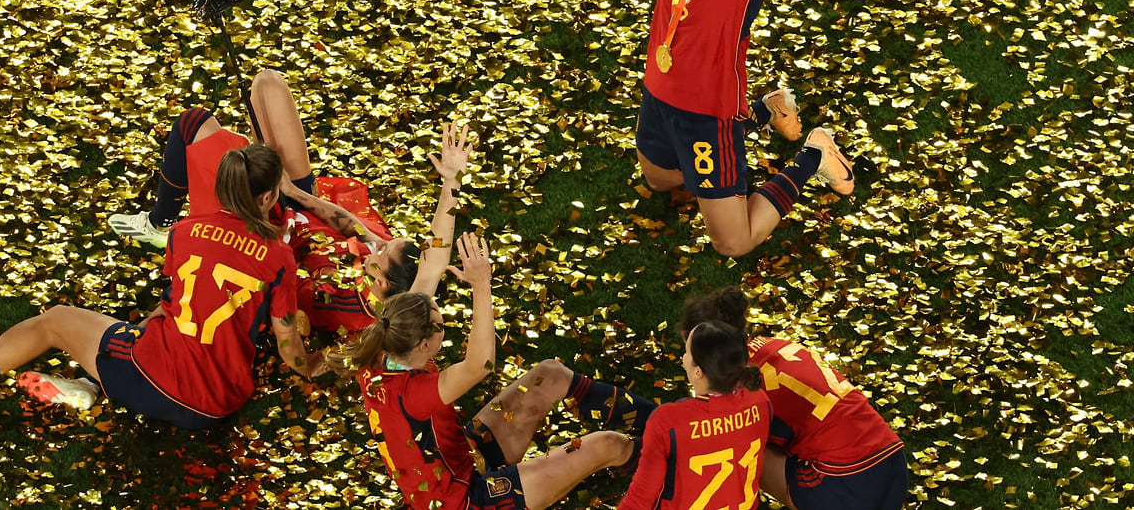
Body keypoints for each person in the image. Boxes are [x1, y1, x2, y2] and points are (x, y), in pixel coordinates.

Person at [632, 0, 896, 257]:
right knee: (662, 180)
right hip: (658, 95)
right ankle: (767, 110)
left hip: (707, 116)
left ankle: (814, 154)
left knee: (733, 243)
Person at [0, 144, 326, 429]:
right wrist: (312, 365)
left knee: (55, 320)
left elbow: (180, 295)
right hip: (218, 404)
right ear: (268, 196)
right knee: (151, 324)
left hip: (156, 382)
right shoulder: (278, 256)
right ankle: (90, 385)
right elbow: (287, 342)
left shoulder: (185, 231)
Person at [108, 69, 472, 336]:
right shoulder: (382, 262)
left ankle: (163, 221)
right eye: (385, 242)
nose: (376, 244)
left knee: (194, 124)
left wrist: (268, 207)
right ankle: (256, 167)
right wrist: (297, 194)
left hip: (258, 228)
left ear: (381, 283)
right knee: (267, 84)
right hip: (297, 204)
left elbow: (271, 284)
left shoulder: (372, 313)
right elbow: (359, 229)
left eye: (382, 251)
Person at [345, 233, 656, 510]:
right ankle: (667, 464)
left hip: (465, 458)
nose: (444, 324)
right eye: (440, 325)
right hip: (467, 501)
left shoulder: (386, 343)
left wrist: (450, 189)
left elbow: (428, 273)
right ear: (424, 345)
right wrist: (481, 285)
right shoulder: (415, 393)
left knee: (550, 375)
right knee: (609, 445)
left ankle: (661, 422)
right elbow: (480, 364)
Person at [679, 287, 907, 510]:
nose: (684, 358)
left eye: (689, 352)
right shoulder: (773, 345)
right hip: (893, 459)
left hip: (845, 481)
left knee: (733, 444)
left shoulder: (732, 385)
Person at [619, 320, 770, 509]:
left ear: (698, 371)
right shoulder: (759, 400)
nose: (683, 357)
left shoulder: (668, 420)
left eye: (687, 352)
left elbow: (640, 498)